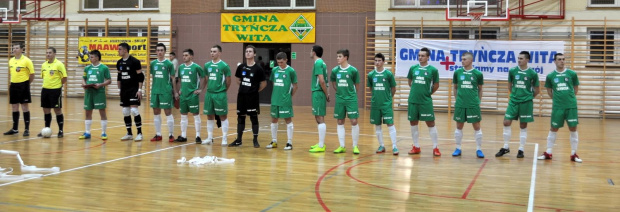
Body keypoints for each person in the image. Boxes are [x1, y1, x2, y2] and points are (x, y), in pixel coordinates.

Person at [538, 53, 582, 163]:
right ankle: (548, 152)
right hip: (557, 107)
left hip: (571, 106)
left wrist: (569, 99)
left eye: (563, 59)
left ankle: (574, 154)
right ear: (555, 61)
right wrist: (558, 100)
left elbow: (575, 89)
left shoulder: (572, 74)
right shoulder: (551, 76)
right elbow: (549, 91)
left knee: (573, 128)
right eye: (559, 59)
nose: (562, 61)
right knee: (553, 128)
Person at [496, 51, 540, 158]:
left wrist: (528, 97)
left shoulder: (532, 73)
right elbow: (510, 86)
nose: (519, 60)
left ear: (527, 60)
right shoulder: (512, 71)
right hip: (514, 101)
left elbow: (537, 90)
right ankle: (506, 147)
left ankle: (521, 149)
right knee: (506, 122)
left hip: (526, 102)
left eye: (521, 58)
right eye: (518, 58)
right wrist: (515, 95)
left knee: (523, 125)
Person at [229, 45, 266, 148]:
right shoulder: (241, 67)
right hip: (241, 97)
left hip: (252, 97)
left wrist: (254, 90)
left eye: (250, 51)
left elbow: (263, 83)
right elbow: (237, 80)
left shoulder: (258, 68)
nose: (248, 53)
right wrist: (245, 88)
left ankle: (255, 140)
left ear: (254, 54)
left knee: (253, 118)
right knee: (241, 118)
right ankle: (239, 140)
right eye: (246, 51)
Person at [407, 47, 441, 156]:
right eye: (419, 55)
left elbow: (436, 85)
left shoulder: (433, 70)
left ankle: (435, 147)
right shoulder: (413, 68)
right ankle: (416, 146)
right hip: (413, 100)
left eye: (422, 56)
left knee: (431, 123)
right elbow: (410, 82)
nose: (420, 57)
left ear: (427, 57)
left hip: (425, 101)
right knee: (413, 123)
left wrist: (427, 93)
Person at [452, 52, 485, 158]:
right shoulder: (457, 72)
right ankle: (458, 148)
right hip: (460, 104)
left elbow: (480, 89)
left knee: (476, 126)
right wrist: (457, 100)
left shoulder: (478, 74)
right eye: (462, 59)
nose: (462, 61)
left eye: (464, 59)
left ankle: (479, 149)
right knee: (459, 126)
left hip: (473, 104)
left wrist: (478, 102)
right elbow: (455, 87)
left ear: (470, 60)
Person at [330, 49, 360, 154]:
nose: (337, 58)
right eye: (337, 56)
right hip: (340, 99)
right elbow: (333, 82)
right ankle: (342, 146)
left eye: (340, 56)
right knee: (340, 121)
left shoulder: (353, 70)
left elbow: (357, 85)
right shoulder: (335, 70)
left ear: (345, 57)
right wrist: (338, 91)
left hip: (351, 99)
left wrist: (351, 94)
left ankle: (355, 146)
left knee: (354, 121)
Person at [368, 53, 398, 155]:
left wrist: (389, 99)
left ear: (383, 62)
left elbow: (393, 88)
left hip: (386, 104)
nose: (377, 62)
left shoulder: (388, 74)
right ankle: (381, 145)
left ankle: (394, 146)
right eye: (375, 60)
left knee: (390, 124)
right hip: (376, 104)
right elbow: (371, 88)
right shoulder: (371, 75)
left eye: (379, 60)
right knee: (377, 125)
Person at [267, 52, 298, 150]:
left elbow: (295, 86)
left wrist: (288, 96)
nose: (280, 64)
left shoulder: (291, 71)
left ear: (286, 60)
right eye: (278, 62)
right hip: (275, 100)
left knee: (288, 120)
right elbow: (273, 82)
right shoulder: (274, 70)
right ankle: (274, 141)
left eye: (281, 62)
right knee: (273, 120)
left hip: (285, 101)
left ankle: (289, 142)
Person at [202, 45, 232, 146]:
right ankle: (210, 138)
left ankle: (224, 138)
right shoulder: (207, 65)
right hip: (209, 94)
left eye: (214, 51)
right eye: (211, 51)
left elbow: (228, 81)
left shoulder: (224, 66)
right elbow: (206, 79)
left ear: (219, 53)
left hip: (220, 94)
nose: (212, 53)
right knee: (209, 116)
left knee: (223, 116)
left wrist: (222, 91)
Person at [79, 50, 111, 140]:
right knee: (88, 112)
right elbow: (83, 79)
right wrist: (84, 85)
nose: (90, 58)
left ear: (97, 57)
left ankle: (104, 133)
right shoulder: (87, 68)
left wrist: (100, 85)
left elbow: (109, 80)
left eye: (92, 57)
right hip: (89, 92)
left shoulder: (104, 68)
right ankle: (87, 132)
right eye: (90, 57)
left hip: (99, 92)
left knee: (102, 112)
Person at [4, 42, 35, 136]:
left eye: (17, 48)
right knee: (14, 107)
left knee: (24, 107)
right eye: (13, 48)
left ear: (22, 49)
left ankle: (26, 129)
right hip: (13, 85)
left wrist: (26, 84)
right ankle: (15, 129)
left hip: (23, 85)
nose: (14, 50)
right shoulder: (11, 60)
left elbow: (32, 75)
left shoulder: (27, 60)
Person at [175, 49, 205, 143]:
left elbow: (204, 77)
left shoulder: (196, 67)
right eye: (183, 55)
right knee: (183, 116)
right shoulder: (181, 67)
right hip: (183, 95)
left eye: (186, 55)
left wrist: (200, 89)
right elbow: (180, 79)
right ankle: (183, 136)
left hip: (193, 95)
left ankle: (198, 136)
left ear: (191, 56)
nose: (184, 57)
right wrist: (180, 89)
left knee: (196, 115)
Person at [36, 47, 67, 138]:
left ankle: (60, 130)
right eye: (47, 53)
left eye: (50, 53)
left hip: (55, 90)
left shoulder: (59, 64)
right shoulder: (43, 65)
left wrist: (57, 85)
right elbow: (44, 77)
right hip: (45, 89)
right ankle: (47, 129)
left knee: (57, 110)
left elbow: (64, 78)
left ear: (54, 54)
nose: (48, 54)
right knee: (46, 110)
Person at [149, 43, 177, 142]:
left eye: (161, 50)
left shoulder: (169, 64)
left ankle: (171, 134)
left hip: (166, 91)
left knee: (168, 112)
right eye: (158, 50)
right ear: (156, 52)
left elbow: (173, 78)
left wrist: (175, 92)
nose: (160, 52)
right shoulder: (153, 64)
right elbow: (153, 76)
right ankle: (158, 134)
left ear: (165, 52)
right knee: (156, 113)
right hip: (155, 91)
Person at [117, 42, 144, 141]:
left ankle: (140, 133)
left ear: (125, 50)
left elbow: (141, 76)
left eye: (119, 49)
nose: (118, 51)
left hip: (133, 89)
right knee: (125, 111)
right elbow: (119, 77)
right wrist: (119, 89)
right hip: (124, 90)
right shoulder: (119, 62)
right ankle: (129, 133)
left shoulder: (135, 61)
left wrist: (140, 90)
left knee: (134, 110)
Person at [308, 45, 330, 153]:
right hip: (318, 93)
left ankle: (321, 146)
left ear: (314, 52)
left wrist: (326, 94)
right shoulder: (321, 63)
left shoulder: (318, 63)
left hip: (318, 92)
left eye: (311, 50)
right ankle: (320, 143)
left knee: (320, 118)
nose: (310, 52)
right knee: (318, 117)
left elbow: (322, 81)